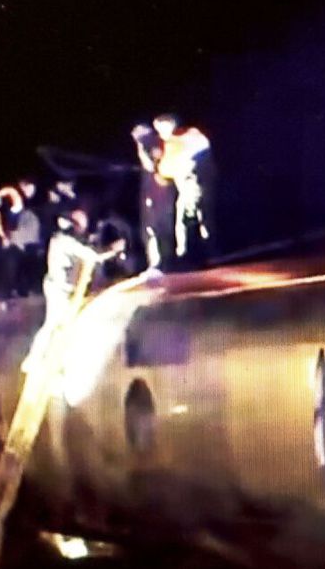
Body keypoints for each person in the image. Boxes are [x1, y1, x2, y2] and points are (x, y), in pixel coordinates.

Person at [21, 209, 124, 376]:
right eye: (80, 224)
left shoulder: (73, 240)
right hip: (58, 289)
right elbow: (93, 256)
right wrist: (113, 249)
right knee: (53, 323)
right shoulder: (63, 241)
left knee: (69, 325)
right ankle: (33, 360)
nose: (83, 227)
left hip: (68, 290)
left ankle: (60, 362)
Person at [153, 114, 214, 267]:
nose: (160, 133)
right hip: (187, 185)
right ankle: (193, 253)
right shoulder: (170, 144)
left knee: (190, 218)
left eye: (162, 129)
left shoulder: (186, 137)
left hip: (192, 184)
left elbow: (202, 146)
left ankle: (194, 254)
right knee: (189, 218)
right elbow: (165, 171)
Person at [133, 123, 176, 273]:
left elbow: (151, 166)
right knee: (149, 231)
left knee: (160, 230)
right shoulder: (150, 147)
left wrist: (140, 147)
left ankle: (164, 263)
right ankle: (156, 263)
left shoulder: (157, 146)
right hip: (150, 195)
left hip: (160, 196)